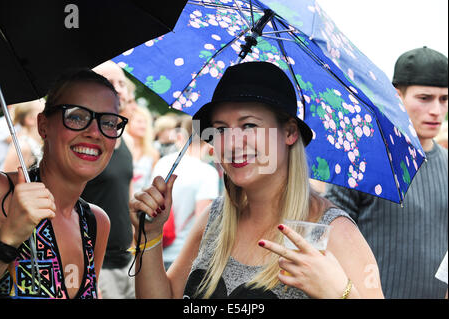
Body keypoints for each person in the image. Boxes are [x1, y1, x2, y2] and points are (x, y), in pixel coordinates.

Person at [129, 62, 384, 299]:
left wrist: (339, 292)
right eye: (220, 129)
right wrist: (150, 236)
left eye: (249, 125)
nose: (231, 142)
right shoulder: (215, 218)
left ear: (290, 132)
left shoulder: (331, 231)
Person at [325, 47, 448, 298]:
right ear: (397, 96)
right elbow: (332, 238)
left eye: (444, 99)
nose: (436, 110)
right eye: (425, 98)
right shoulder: (362, 160)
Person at [0, 68, 125, 298]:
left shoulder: (96, 222)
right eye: (76, 116)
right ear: (43, 125)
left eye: (108, 122)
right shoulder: (3, 195)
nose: (95, 133)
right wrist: (9, 239)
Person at [80, 61, 135, 299]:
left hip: (128, 259)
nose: (119, 89)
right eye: (110, 82)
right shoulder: (83, 140)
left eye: (122, 83)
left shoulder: (126, 140)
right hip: (95, 263)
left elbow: (126, 198)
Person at [150, 115, 219, 270]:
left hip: (156, 250)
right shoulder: (207, 172)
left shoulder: (163, 163)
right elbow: (204, 222)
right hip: (185, 257)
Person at [1, 100, 44, 172]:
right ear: (30, 119)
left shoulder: (37, 143)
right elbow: (10, 180)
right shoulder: (22, 147)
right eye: (45, 112)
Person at [127, 106, 160, 194]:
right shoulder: (122, 149)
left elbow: (153, 183)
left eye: (145, 122)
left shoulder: (153, 153)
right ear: (128, 123)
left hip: (141, 203)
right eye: (139, 122)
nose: (143, 126)